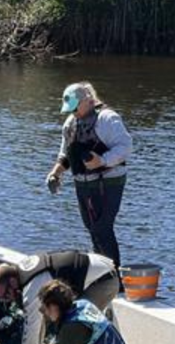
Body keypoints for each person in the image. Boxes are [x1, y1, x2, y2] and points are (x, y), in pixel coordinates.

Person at [0, 250, 119, 344]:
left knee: (74, 330)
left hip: (103, 281)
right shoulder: (22, 275)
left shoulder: (32, 290)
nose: (6, 300)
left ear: (13, 282)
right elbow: (39, 320)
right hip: (95, 270)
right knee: (57, 327)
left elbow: (31, 331)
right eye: (1, 298)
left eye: (5, 295)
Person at [45, 82, 132, 268]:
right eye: (70, 109)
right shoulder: (70, 122)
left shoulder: (108, 119)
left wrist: (103, 160)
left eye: (75, 108)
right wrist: (55, 174)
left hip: (110, 182)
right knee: (92, 228)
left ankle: (115, 278)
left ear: (88, 101)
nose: (73, 112)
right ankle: (101, 272)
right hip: (83, 184)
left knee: (103, 228)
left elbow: (125, 147)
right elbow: (65, 155)